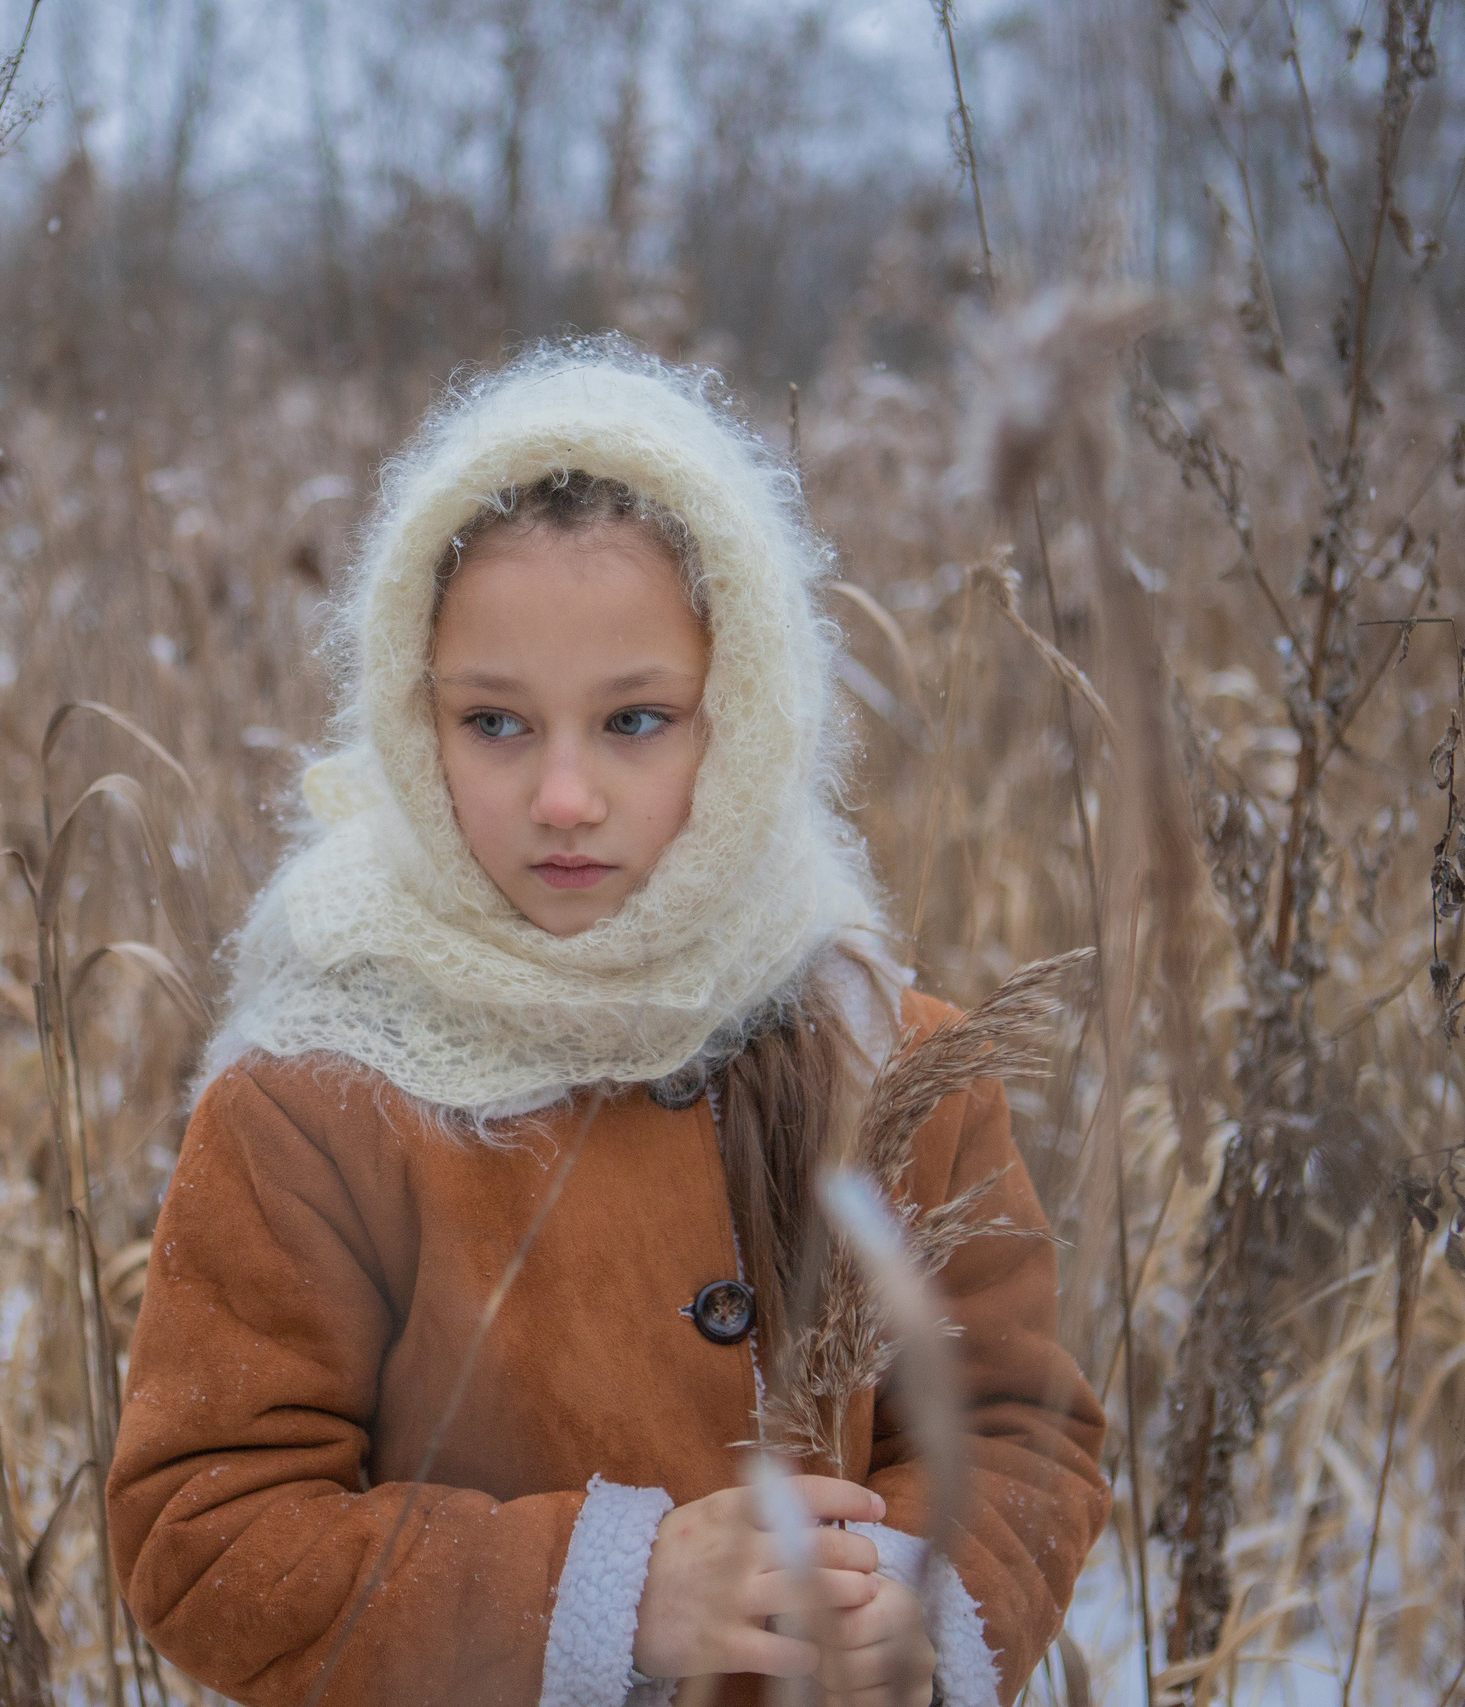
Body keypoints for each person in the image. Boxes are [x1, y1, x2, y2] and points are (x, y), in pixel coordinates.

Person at [106, 342, 1109, 1707]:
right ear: (415, 721)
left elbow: (1017, 1436)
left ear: (739, 715)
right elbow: (205, 1536)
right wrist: (609, 1594)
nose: (565, 796)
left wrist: (928, 1605)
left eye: (636, 718)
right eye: (496, 723)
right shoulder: (318, 1095)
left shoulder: (892, 1064)